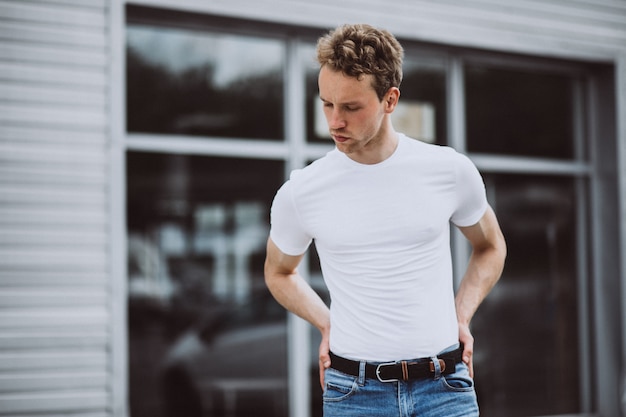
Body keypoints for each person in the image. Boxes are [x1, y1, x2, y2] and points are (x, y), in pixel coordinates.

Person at [264, 23, 506, 417]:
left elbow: (490, 246)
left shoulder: (447, 169)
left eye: (351, 107)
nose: (334, 121)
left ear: (390, 100)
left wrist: (459, 314)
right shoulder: (303, 190)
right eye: (326, 103)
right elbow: (278, 272)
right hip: (354, 394)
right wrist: (327, 324)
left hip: (445, 388)